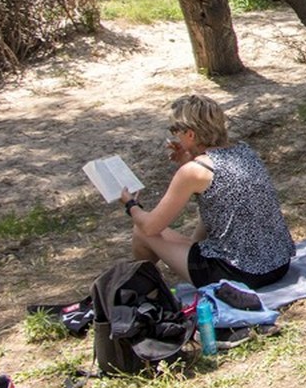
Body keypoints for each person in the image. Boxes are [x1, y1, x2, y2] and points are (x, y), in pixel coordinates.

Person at [120, 94, 295, 289]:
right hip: (278, 263)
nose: (174, 137)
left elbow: (151, 227)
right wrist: (188, 160)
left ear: (190, 134)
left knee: (140, 231)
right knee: (195, 235)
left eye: (175, 130)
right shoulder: (244, 151)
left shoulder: (195, 171)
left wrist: (131, 205)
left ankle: (146, 290)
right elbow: (219, 200)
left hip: (241, 274)